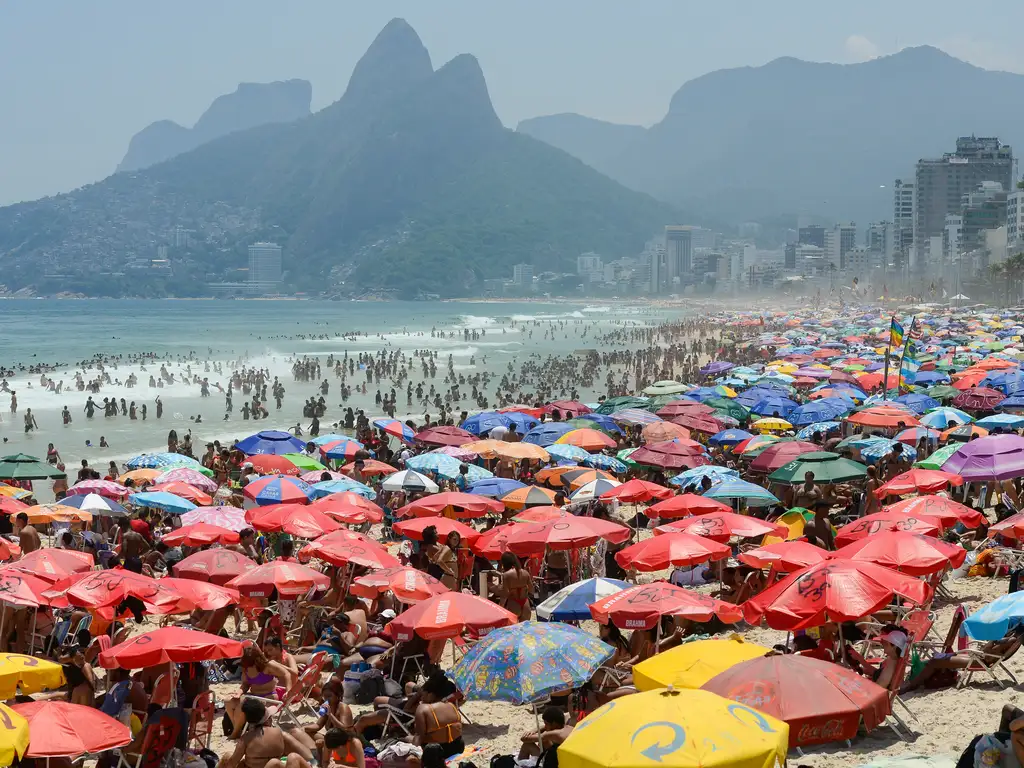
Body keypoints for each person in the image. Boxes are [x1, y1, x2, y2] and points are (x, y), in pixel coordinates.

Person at [224, 643, 298, 738]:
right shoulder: (246, 668)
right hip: (253, 696)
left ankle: (235, 732)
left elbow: (286, 674)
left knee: (241, 705)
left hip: (269, 697)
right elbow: (246, 684)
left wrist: (288, 690)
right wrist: (239, 692)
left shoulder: (268, 665)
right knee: (228, 701)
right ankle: (236, 728)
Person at [220, 698, 315, 768]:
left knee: (229, 757)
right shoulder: (279, 733)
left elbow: (232, 764)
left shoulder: (246, 739)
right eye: (270, 717)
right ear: (267, 719)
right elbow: (307, 756)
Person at [413, 672, 463, 760]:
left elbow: (418, 737)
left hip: (436, 752)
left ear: (431, 695)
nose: (421, 697)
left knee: (405, 739)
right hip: (457, 748)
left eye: (423, 694)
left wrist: (412, 756)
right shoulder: (451, 706)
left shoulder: (423, 708)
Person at [496, 552, 532, 622]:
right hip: (525, 604)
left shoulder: (506, 575)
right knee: (524, 629)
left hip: (513, 604)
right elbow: (531, 589)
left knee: (512, 630)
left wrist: (500, 607)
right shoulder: (525, 573)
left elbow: (505, 594)